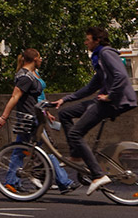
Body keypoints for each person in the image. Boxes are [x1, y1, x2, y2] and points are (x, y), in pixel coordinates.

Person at [56, 26, 138, 194]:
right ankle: (77, 155)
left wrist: (109, 96)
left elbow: (121, 76)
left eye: (88, 39)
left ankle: (98, 175)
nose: (85, 43)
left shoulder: (106, 53)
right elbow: (91, 87)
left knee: (75, 134)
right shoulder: (99, 57)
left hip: (113, 103)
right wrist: (65, 99)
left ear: (97, 40)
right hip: (105, 101)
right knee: (65, 113)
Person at [0, 48, 76, 193]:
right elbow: (15, 97)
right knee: (47, 150)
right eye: (40, 58)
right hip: (29, 118)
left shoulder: (30, 75)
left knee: (20, 150)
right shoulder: (25, 77)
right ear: (34, 59)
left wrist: (46, 110)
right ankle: (63, 182)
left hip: (32, 116)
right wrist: (4, 116)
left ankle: (11, 182)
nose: (41, 60)